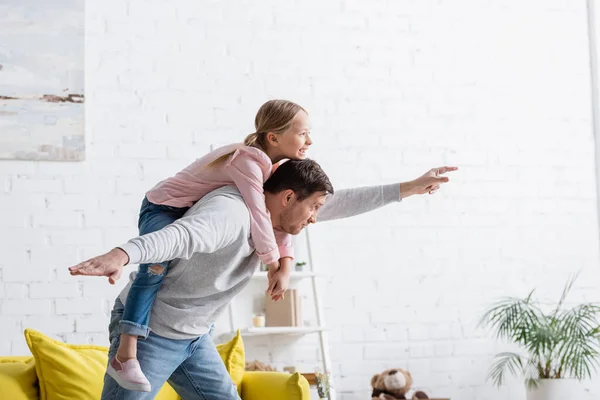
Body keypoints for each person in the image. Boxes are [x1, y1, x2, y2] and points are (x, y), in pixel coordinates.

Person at [69, 159, 457, 399]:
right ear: (287, 197)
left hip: (193, 337)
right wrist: (122, 254)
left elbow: (344, 202)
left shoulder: (270, 216)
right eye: (314, 207)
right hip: (153, 334)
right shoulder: (231, 213)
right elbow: (179, 236)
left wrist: (410, 187)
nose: (316, 217)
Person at [88, 99, 311, 391]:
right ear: (274, 137)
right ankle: (127, 352)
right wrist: (272, 262)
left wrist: (286, 262)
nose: (309, 140)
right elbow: (260, 213)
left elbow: (279, 216)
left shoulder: (272, 169)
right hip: (163, 207)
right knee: (153, 269)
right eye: (303, 133)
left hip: (193, 333)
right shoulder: (249, 162)